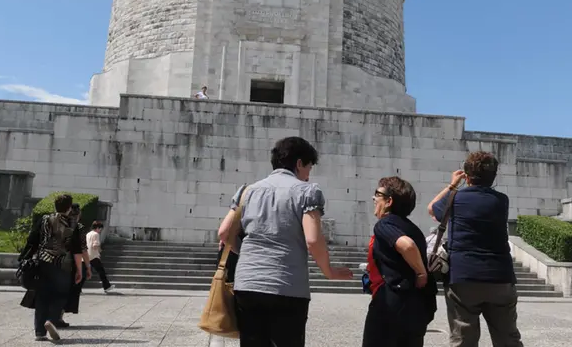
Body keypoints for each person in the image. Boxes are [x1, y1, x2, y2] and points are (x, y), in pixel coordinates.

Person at [216, 136, 353, 347]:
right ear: (299, 163)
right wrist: (329, 271)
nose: (308, 175)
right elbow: (313, 240)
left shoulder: (247, 191)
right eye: (308, 167)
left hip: (248, 284)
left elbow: (224, 233)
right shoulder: (307, 192)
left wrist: (248, 255)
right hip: (287, 285)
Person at [428, 151, 523, 347]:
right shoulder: (501, 201)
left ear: (467, 176)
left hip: (463, 276)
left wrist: (452, 184)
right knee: (508, 339)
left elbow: (432, 208)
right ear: (493, 177)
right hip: (500, 276)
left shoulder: (455, 199)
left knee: (463, 339)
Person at [362, 176, 436, 347]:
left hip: (390, 302)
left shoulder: (384, 224)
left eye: (377, 194)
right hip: (415, 305)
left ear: (389, 201)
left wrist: (421, 273)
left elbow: (407, 245)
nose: (374, 198)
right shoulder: (414, 229)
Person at [20, 194, 84, 342]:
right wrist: (79, 270)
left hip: (43, 262)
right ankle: (51, 320)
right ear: (69, 208)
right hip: (63, 265)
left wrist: (25, 257)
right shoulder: (73, 224)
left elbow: (32, 239)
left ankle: (40, 332)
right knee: (60, 295)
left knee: (42, 296)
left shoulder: (44, 220)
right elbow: (76, 249)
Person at [60, 204, 92, 327]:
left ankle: (51, 316)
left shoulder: (58, 224)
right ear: (79, 215)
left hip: (54, 260)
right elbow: (82, 249)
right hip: (71, 263)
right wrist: (87, 267)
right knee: (69, 290)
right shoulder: (79, 227)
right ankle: (59, 316)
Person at [87, 221, 113, 292]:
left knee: (84, 273)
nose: (101, 230)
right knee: (101, 272)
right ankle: (107, 286)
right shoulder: (96, 234)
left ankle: (77, 288)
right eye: (100, 229)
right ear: (98, 228)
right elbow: (95, 245)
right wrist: (99, 249)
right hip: (94, 256)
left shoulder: (88, 234)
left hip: (87, 256)